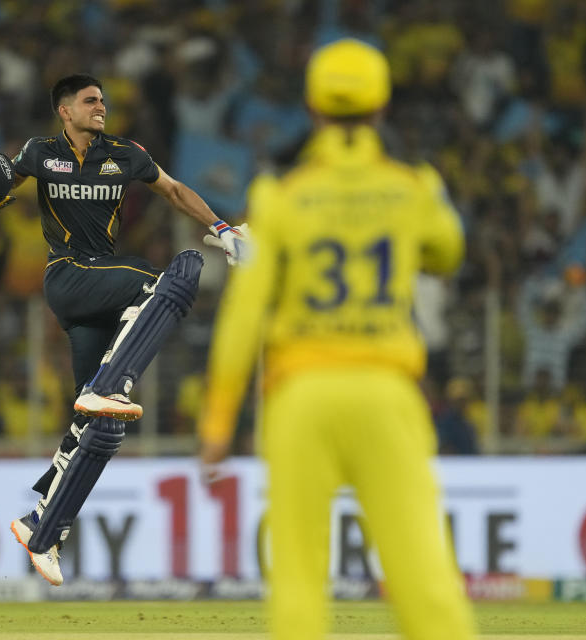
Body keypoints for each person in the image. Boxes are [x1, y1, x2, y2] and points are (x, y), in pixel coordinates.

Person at [198, 39, 476, 640]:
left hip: (301, 399)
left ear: (313, 110)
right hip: (386, 393)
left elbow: (243, 312)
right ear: (382, 109)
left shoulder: (280, 196)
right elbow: (449, 251)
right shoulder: (413, 186)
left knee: (298, 586)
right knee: (425, 583)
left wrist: (219, 422)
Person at [0, 73, 246, 586]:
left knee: (99, 427)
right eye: (90, 101)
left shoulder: (125, 153)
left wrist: (221, 228)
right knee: (167, 280)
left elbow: (174, 191)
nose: (101, 107)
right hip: (67, 274)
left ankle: (41, 529)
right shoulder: (39, 152)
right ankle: (111, 386)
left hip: (100, 286)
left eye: (103, 100)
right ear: (64, 110)